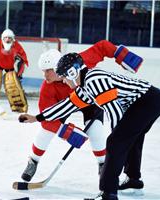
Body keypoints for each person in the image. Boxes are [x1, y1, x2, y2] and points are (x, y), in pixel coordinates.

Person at [19, 43, 160, 200]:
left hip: (147, 102)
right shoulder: (84, 88)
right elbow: (65, 106)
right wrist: (37, 118)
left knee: (116, 143)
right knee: (132, 139)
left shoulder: (94, 81)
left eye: (64, 78)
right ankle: (133, 180)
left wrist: (118, 138)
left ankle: (108, 193)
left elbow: (115, 112)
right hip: (146, 102)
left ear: (71, 73)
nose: (65, 82)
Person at [20, 49, 107, 182]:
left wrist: (122, 55)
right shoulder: (47, 87)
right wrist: (67, 132)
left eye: (48, 71)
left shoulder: (79, 61)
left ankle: (102, 164)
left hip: (89, 102)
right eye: (43, 71)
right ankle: (33, 161)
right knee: (46, 131)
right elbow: (46, 118)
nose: (45, 75)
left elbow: (102, 47)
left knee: (95, 131)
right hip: (65, 105)